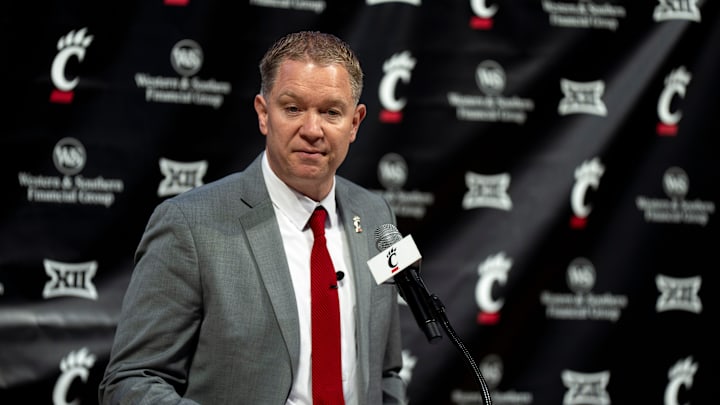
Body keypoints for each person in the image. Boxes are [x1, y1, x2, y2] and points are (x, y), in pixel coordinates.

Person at [98, 31, 407, 404]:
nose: (312, 130)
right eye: (292, 108)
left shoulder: (377, 217)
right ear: (263, 113)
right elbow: (132, 380)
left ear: (355, 123)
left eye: (331, 112)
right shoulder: (189, 224)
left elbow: (386, 372)